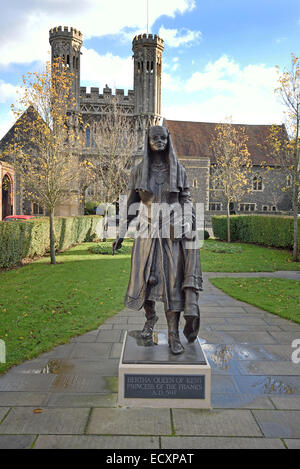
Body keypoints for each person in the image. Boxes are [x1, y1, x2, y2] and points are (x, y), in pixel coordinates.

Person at [113, 125, 202, 355]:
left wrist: (188, 219)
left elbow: (187, 199)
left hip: (171, 235)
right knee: (147, 281)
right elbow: (131, 205)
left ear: (168, 140)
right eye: (155, 138)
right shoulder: (138, 171)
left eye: (163, 138)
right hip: (146, 233)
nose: (160, 141)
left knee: (173, 283)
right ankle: (150, 319)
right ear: (148, 141)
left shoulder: (179, 170)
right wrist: (121, 232)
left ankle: (173, 335)